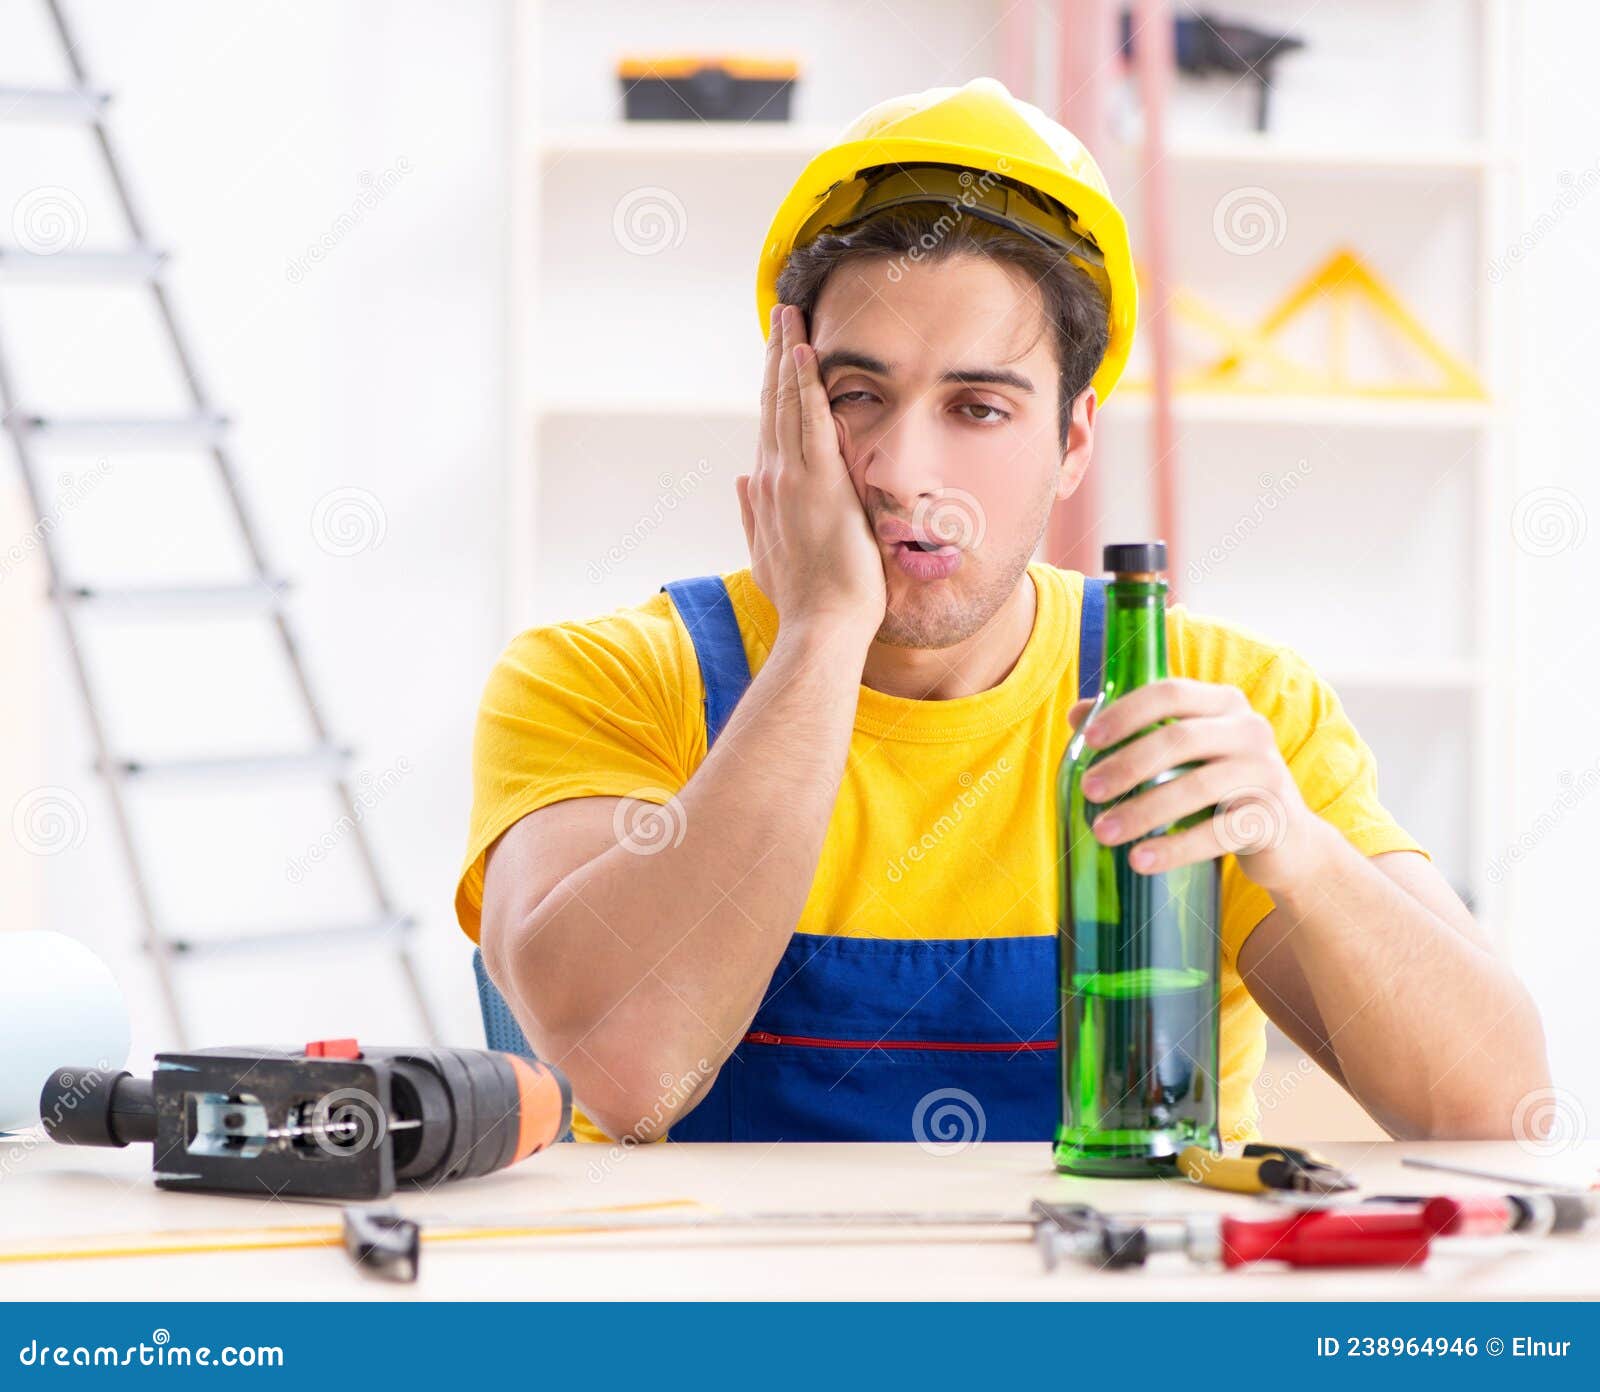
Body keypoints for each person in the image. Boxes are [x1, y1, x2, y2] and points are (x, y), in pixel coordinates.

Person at [455, 78, 1549, 1146]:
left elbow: (1496, 1114)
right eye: (855, 397)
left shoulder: (1216, 703)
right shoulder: (605, 681)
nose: (902, 470)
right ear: (782, 413)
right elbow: (629, 1078)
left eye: (976, 406)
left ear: (1073, 444)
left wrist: (1295, 851)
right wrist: (824, 631)